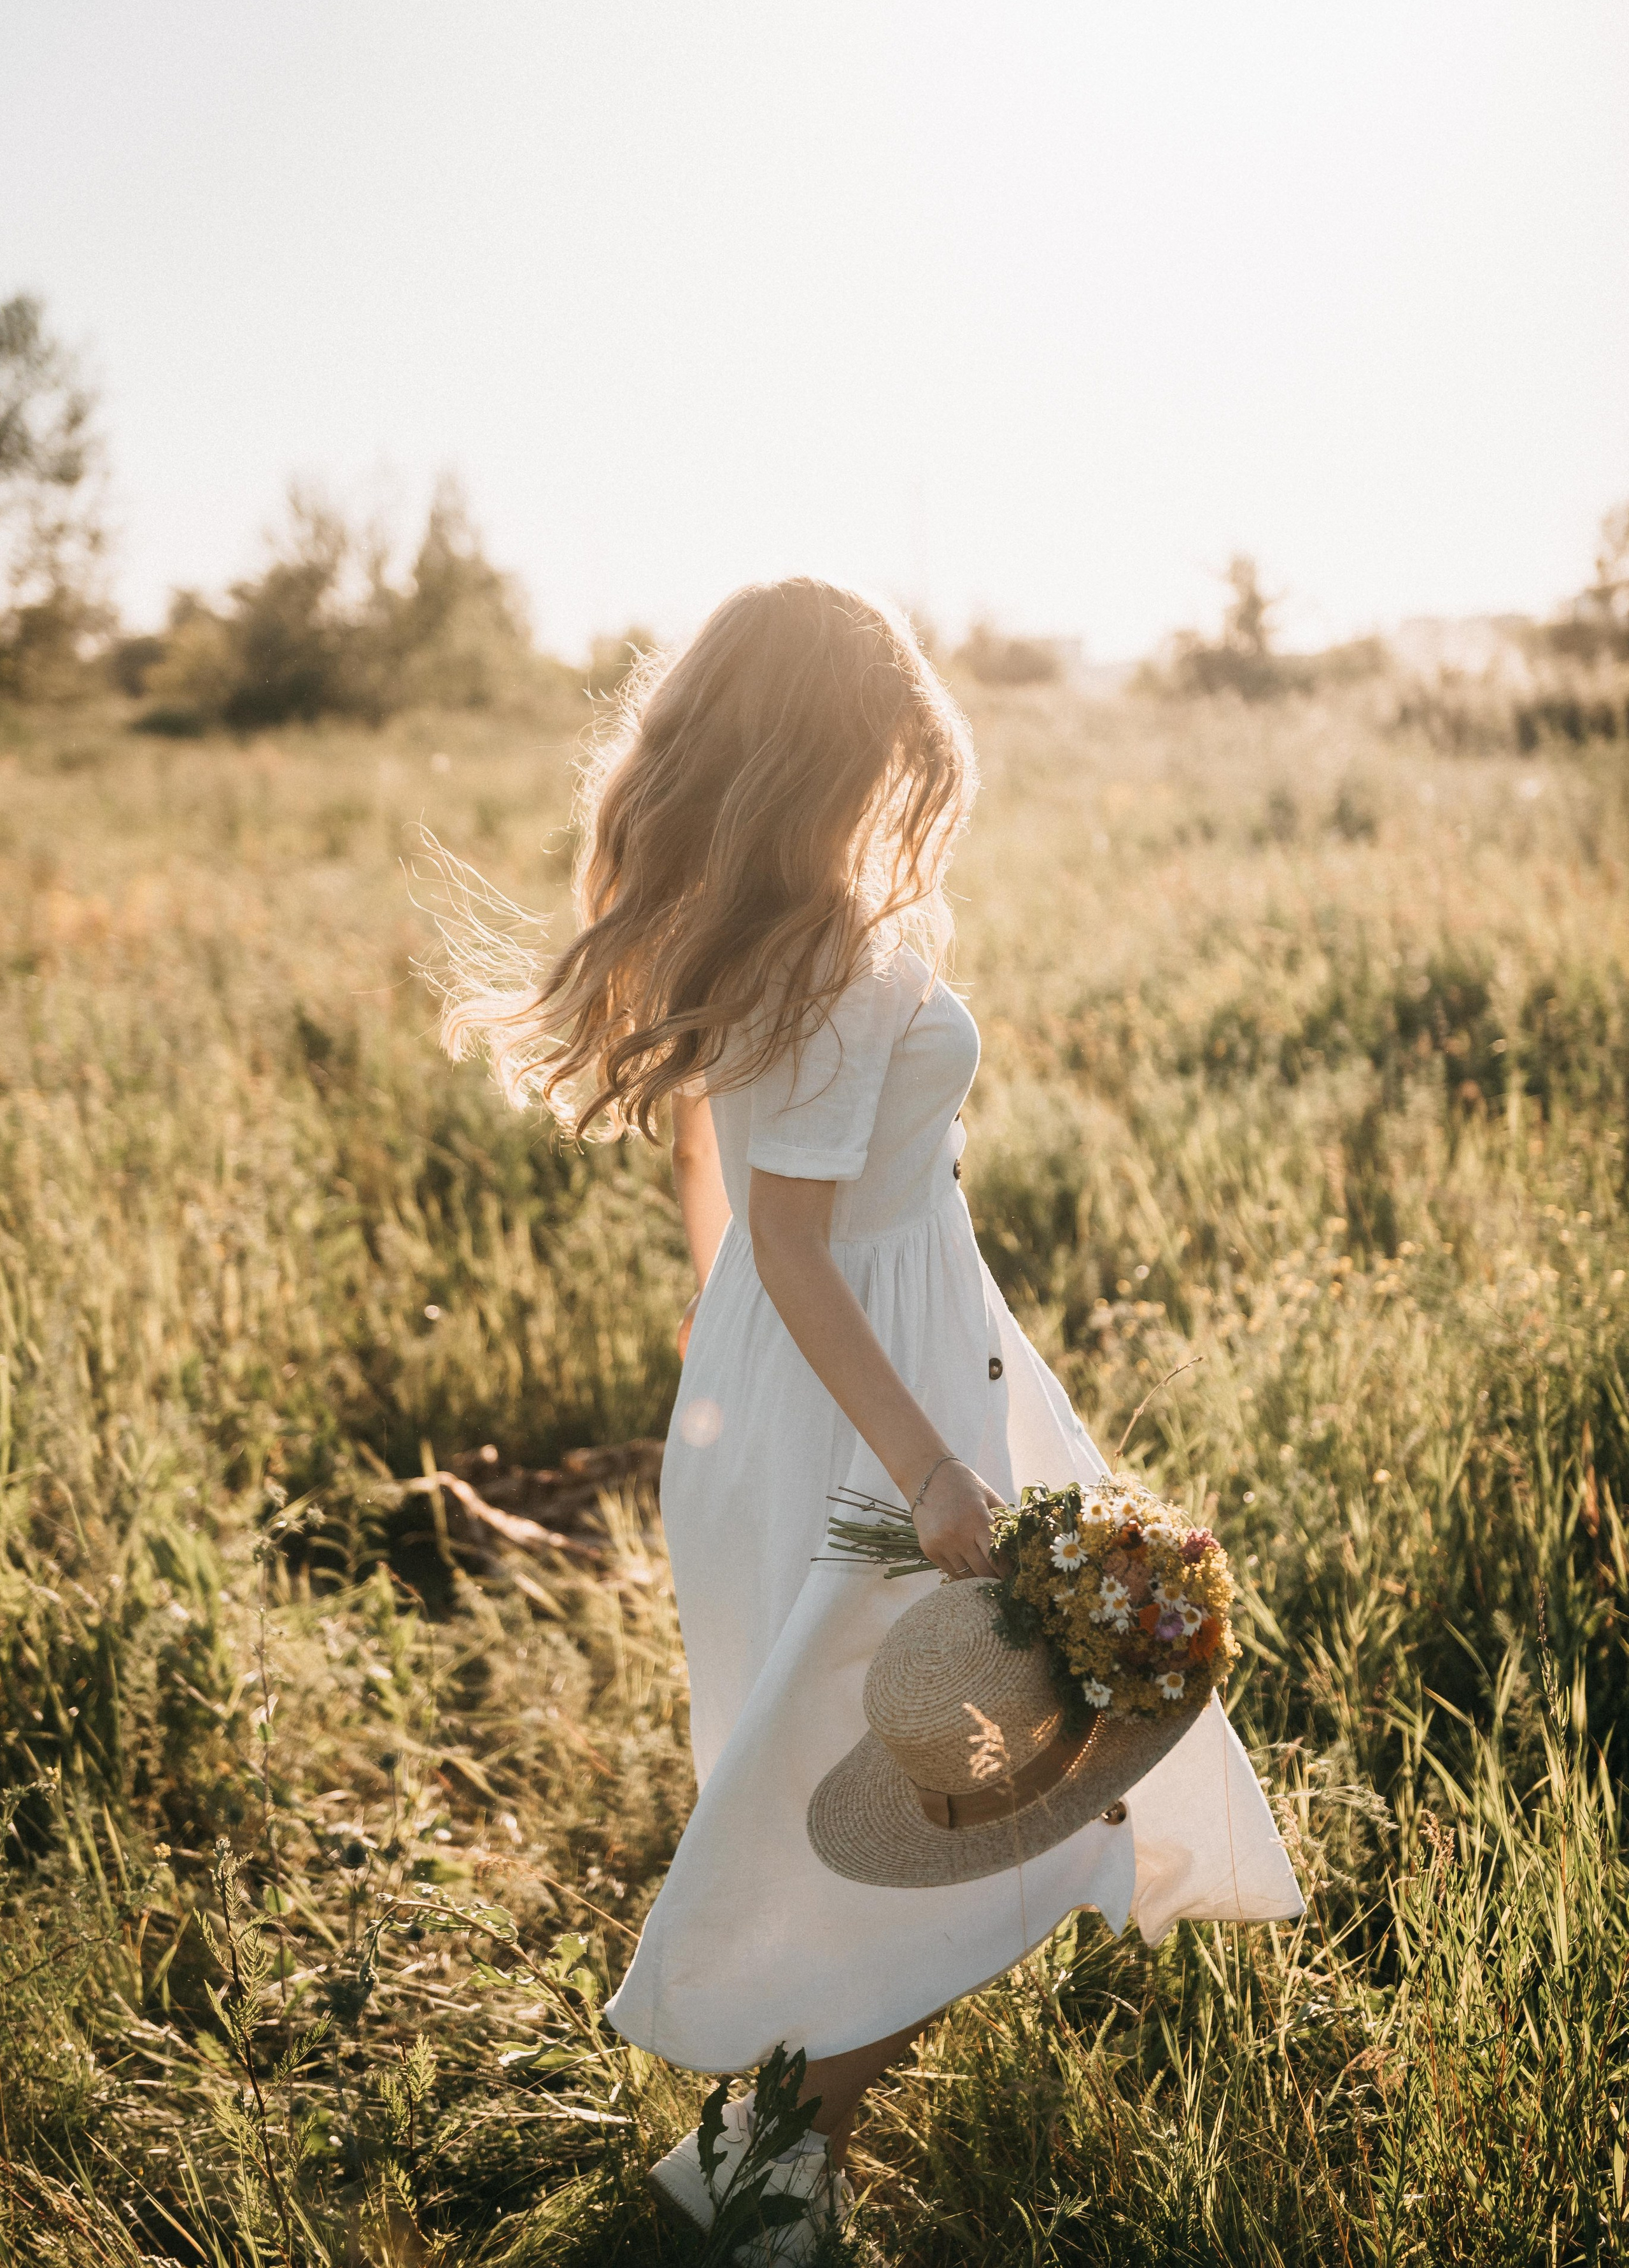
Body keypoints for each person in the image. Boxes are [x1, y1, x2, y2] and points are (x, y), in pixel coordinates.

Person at [439, 579, 1302, 2261]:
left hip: (818, 1377)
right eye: (896, 755)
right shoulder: (835, 955)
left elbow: (721, 1180)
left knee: (926, 1779)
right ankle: (765, 2165)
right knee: (1009, 1795)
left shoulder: (758, 926)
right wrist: (922, 1468)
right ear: (844, 759)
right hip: (884, 1409)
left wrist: (733, 1344)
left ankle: (770, 2160)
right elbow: (786, 1230)